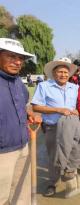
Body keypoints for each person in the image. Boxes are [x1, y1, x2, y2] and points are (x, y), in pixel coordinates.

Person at [0, 38, 41, 205]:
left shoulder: (18, 82)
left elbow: (25, 106)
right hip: (2, 154)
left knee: (21, 194)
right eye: (11, 56)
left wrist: (30, 114)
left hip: (23, 147)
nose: (17, 62)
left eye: (21, 59)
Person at [31, 57, 79, 196]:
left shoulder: (74, 87)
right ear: (53, 73)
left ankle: (69, 177)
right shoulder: (44, 86)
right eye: (60, 72)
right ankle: (53, 183)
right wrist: (58, 110)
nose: (63, 75)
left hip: (70, 127)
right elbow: (36, 106)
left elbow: (74, 106)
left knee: (70, 153)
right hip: (53, 127)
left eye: (66, 72)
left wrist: (75, 111)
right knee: (54, 156)